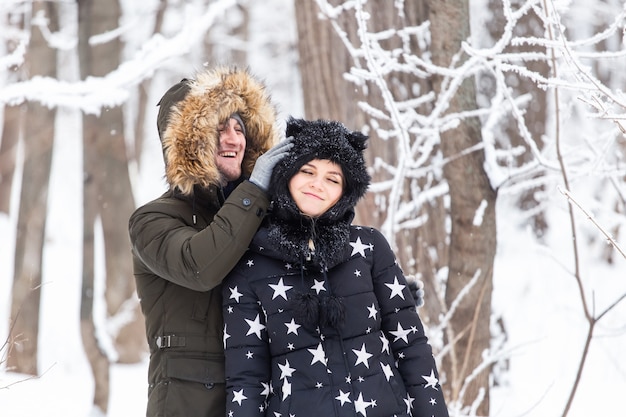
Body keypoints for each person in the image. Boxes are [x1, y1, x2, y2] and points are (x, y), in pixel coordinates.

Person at [221, 117, 449, 417]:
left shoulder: (369, 248)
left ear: (346, 191)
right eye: (307, 171)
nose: (318, 184)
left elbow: (413, 350)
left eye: (333, 178)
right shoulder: (249, 263)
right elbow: (246, 381)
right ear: (286, 175)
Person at [128, 66, 293, 417]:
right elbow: (201, 266)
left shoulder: (262, 213)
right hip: (191, 405)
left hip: (263, 396)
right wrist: (252, 192)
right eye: (220, 129)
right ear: (190, 141)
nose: (234, 139)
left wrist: (375, 289)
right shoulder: (152, 220)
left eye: (240, 128)